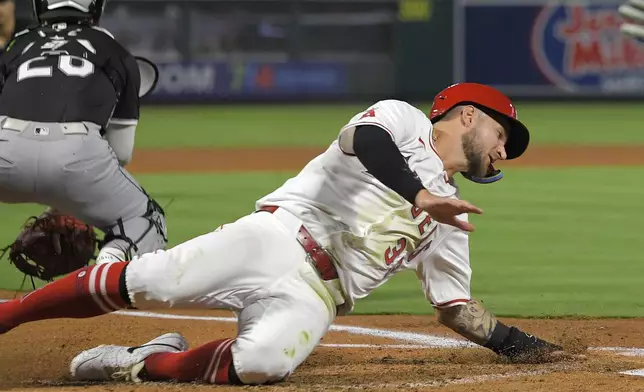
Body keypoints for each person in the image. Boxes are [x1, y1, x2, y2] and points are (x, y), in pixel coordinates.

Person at [0, 83, 578, 386]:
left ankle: (144, 362)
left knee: (261, 367)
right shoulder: (403, 121)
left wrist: (518, 344)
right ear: (468, 116)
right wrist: (421, 194)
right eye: (504, 134)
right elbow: (366, 145)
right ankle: (9, 314)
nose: (505, 151)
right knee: (151, 280)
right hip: (277, 238)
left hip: (319, 297)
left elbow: (454, 307)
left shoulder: (452, 216)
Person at [0, 0, 167, 265]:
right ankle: (109, 263)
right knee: (146, 219)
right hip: (76, 154)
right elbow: (120, 152)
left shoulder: (17, 44)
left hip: (4, 150)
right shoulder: (116, 51)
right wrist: (67, 202)